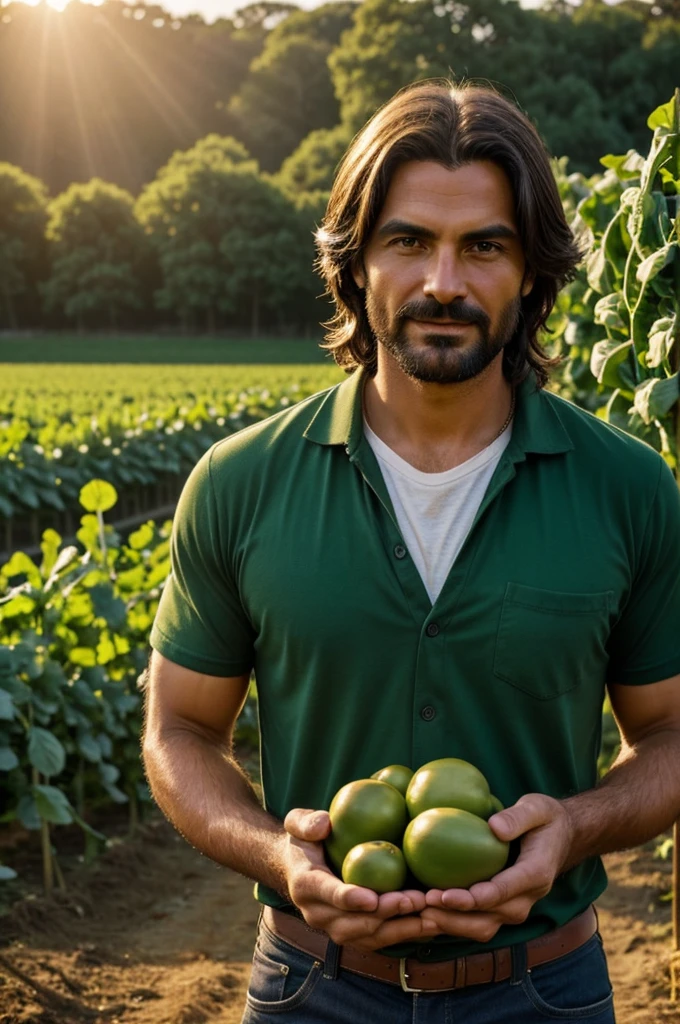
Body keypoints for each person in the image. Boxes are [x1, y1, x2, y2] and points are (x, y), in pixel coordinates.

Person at [141, 81, 680, 1024]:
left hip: (544, 990)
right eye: (407, 241)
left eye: (485, 245)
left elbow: (672, 734)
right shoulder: (239, 483)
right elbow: (180, 732)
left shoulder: (628, 489)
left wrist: (577, 826)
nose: (444, 282)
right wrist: (279, 854)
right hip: (311, 988)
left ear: (532, 273)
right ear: (355, 265)